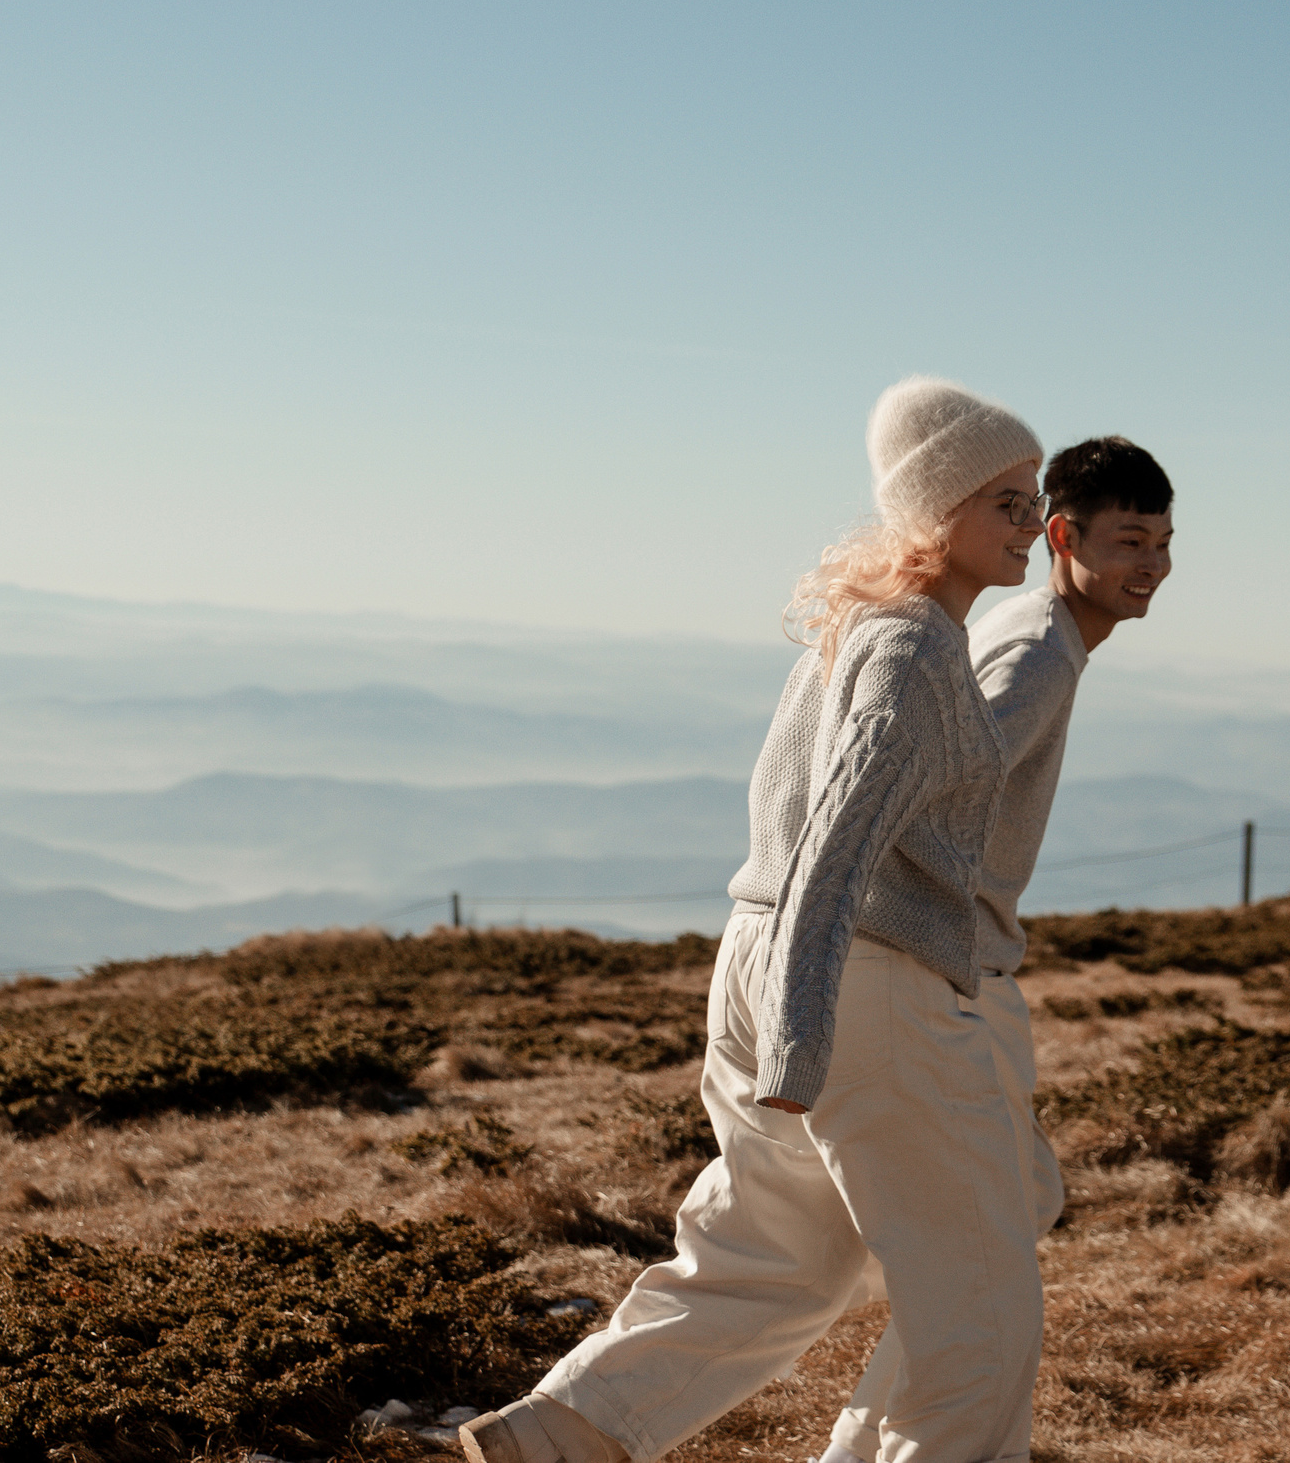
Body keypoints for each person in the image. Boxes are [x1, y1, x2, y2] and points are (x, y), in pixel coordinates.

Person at [461, 376, 1050, 1463]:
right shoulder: (917, 648)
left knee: (775, 1257)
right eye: (1007, 501)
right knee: (979, 1312)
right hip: (856, 983)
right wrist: (802, 1034)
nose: (1030, 527)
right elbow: (836, 838)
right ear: (938, 507)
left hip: (761, 958)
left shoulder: (855, 630)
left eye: (1035, 499)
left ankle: (566, 1435)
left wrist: (782, 1012)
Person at [819, 435, 1175, 1463]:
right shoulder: (1032, 648)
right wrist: (940, 934)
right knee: (980, 1270)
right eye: (1126, 540)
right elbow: (930, 784)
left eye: (1160, 542)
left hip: (952, 969)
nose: (1149, 564)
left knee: (1010, 1217)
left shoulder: (1041, 634)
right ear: (1063, 537)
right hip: (944, 977)